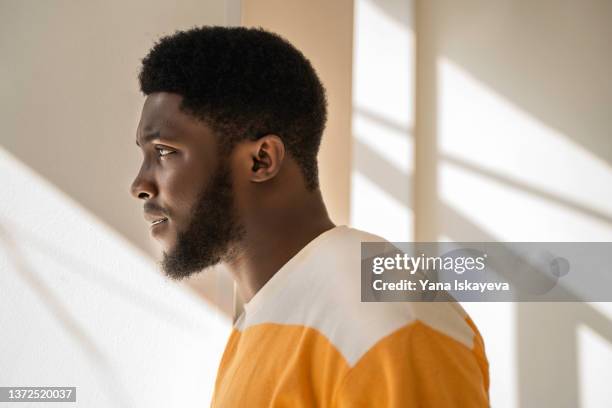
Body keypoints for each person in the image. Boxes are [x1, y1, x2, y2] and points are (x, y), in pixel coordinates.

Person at [131, 26, 489, 407]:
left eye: (165, 151)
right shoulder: (268, 316)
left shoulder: (381, 312)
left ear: (261, 159)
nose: (139, 184)